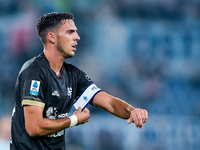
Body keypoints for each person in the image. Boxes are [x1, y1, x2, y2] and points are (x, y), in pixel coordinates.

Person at [10, 12, 148, 150]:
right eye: (70, 32)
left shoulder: (73, 75)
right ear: (52, 37)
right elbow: (34, 127)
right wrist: (73, 120)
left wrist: (132, 111)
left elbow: (110, 103)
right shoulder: (34, 71)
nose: (77, 37)